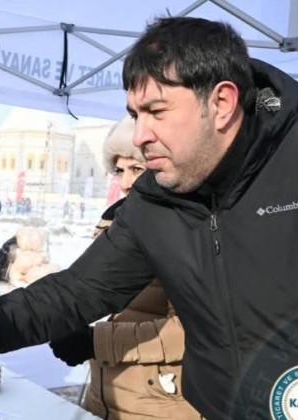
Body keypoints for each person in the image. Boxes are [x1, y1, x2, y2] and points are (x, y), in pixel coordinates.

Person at [0, 17, 298, 418]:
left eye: (156, 111)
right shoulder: (155, 201)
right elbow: (75, 292)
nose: (140, 134)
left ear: (223, 102)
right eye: (133, 113)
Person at [49, 116, 200, 419]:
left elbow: (191, 331)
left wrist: (94, 342)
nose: (127, 181)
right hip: (108, 394)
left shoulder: (188, 230)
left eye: (137, 168)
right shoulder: (116, 225)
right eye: (120, 170)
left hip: (159, 403)